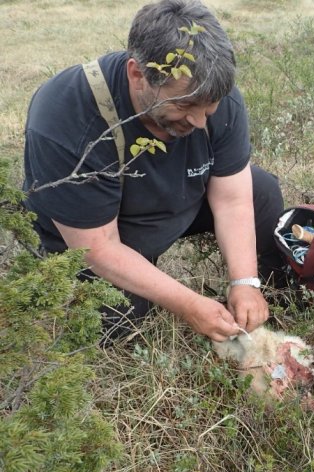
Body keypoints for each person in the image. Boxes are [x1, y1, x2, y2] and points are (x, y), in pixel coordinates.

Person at [22, 0, 285, 343]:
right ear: (137, 75)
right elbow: (97, 247)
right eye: (184, 105)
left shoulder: (209, 92)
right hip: (103, 231)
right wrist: (188, 303)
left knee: (261, 192)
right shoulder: (67, 119)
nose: (199, 120)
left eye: (210, 108)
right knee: (116, 323)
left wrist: (245, 282)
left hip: (179, 199)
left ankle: (270, 299)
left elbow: (233, 199)